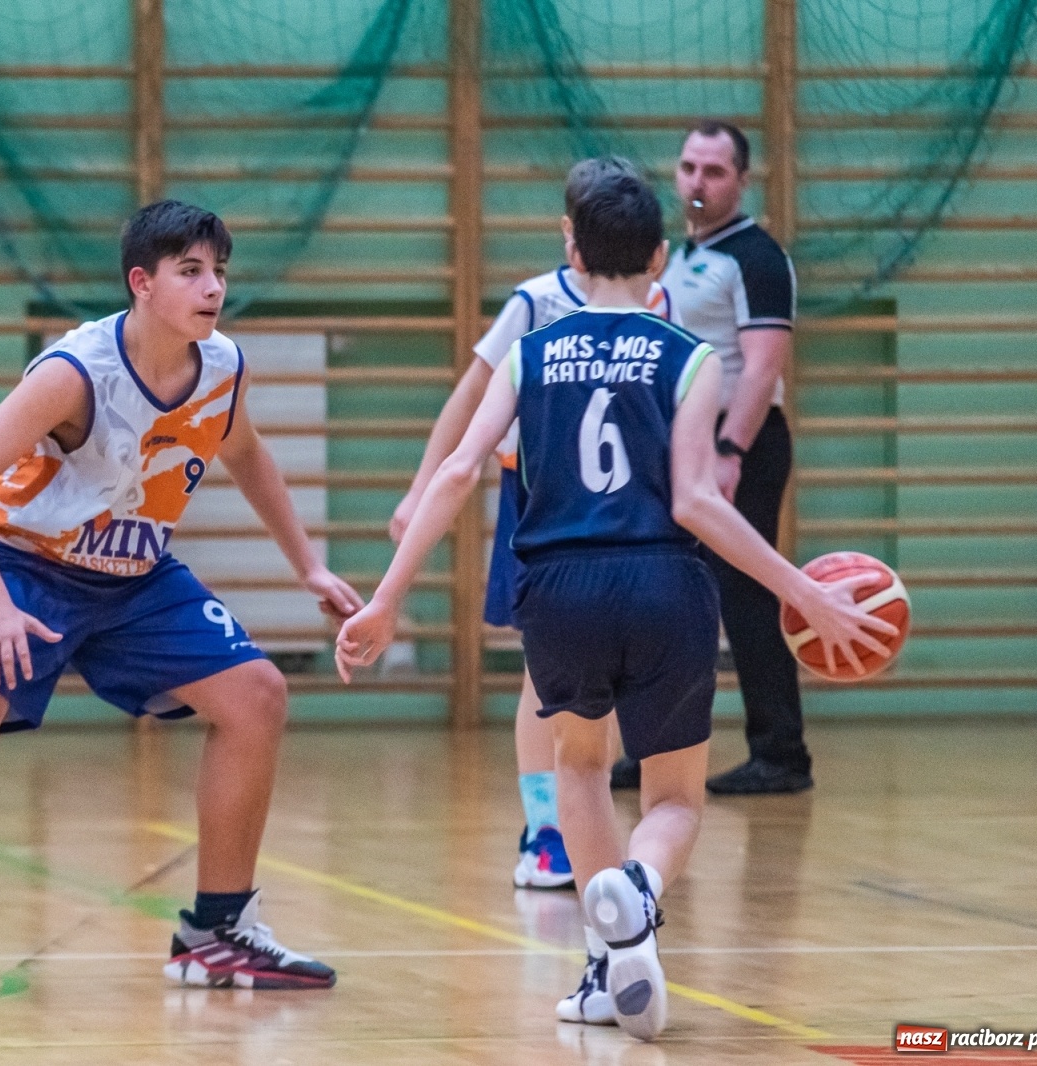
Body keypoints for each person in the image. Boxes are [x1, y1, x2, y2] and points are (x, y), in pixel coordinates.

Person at [334, 170, 892, 1039]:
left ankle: (607, 967)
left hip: (556, 588)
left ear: (570, 248)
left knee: (582, 766)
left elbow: (454, 472)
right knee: (673, 800)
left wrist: (386, 598)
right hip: (665, 584)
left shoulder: (530, 350)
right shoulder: (691, 356)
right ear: (661, 259)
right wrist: (802, 589)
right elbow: (699, 504)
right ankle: (636, 890)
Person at [0, 200, 363, 1002]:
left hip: (133, 577)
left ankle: (216, 933)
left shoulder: (221, 366)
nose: (213, 287)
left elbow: (248, 455)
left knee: (257, 696)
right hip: (23, 565)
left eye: (219, 270)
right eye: (191, 270)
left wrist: (309, 569)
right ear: (141, 283)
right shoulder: (76, 373)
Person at [390, 157, 671, 891]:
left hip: (633, 509)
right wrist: (422, 487)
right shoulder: (536, 303)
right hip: (540, 497)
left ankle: (592, 827)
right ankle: (544, 830)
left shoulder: (656, 303)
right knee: (541, 677)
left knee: (609, 682)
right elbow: (470, 396)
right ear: (569, 237)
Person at [624, 119, 807, 796]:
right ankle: (657, 749)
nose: (696, 183)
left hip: (741, 448)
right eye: (688, 167)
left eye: (714, 171)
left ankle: (782, 754)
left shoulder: (755, 258)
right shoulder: (675, 257)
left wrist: (731, 448)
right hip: (685, 448)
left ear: (742, 180)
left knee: (748, 598)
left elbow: (760, 368)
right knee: (672, 599)